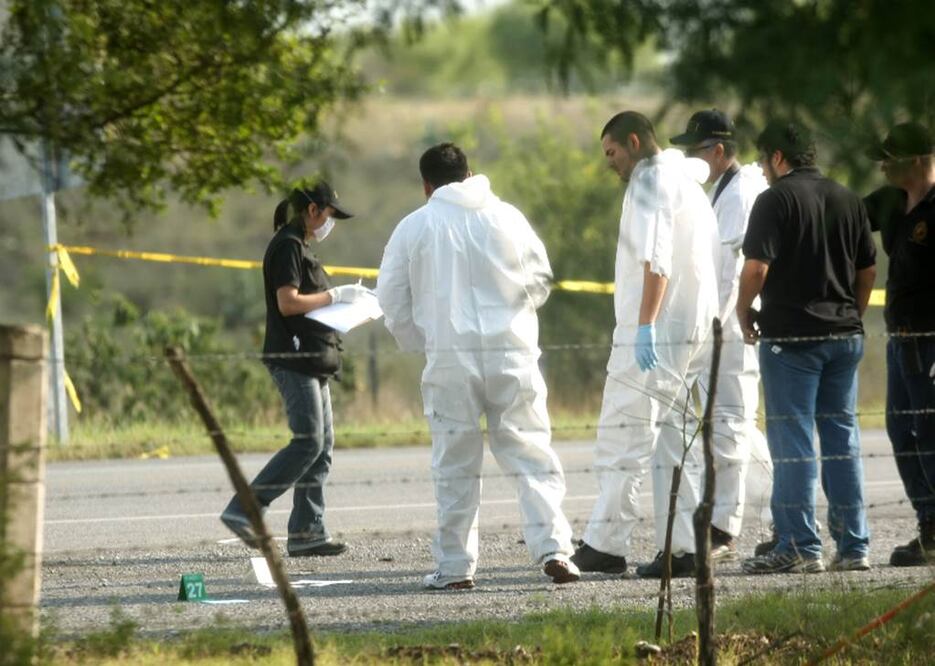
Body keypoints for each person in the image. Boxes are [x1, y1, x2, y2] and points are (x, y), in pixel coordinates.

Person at [376, 143, 580, 589]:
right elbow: (541, 278)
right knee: (531, 453)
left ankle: (455, 568)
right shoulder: (508, 217)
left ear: (426, 185)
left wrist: (422, 341)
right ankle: (555, 549)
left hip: (450, 358)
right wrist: (516, 318)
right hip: (513, 351)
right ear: (470, 174)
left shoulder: (415, 227)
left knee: (455, 463)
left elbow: (391, 299)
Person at [571, 111, 719, 578]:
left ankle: (604, 543)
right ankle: (684, 549)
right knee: (673, 440)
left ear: (633, 142)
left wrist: (644, 325)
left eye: (612, 152)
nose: (610, 163)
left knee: (623, 432)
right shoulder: (684, 180)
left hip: (656, 330)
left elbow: (657, 259)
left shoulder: (649, 182)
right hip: (692, 330)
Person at [737, 120, 876, 574]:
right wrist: (850, 314)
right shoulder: (849, 198)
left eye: (763, 160)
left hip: (792, 340)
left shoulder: (774, 200)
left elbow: (756, 268)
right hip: (843, 336)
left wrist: (743, 309)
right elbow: (867, 270)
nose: (762, 168)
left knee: (793, 442)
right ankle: (854, 546)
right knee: (842, 440)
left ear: (778, 157)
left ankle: (799, 545)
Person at [220, 182, 369, 557]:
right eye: (330, 215)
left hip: (313, 358)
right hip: (293, 357)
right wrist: (337, 296)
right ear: (314, 210)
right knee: (308, 441)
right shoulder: (287, 245)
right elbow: (288, 303)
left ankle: (307, 532)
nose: (330, 223)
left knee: (323, 445)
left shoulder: (299, 247)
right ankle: (246, 509)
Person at [670, 109, 769, 561]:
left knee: (730, 427)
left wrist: (718, 319)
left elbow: (735, 269)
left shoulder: (742, 192)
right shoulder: (721, 190)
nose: (692, 158)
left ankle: (724, 531)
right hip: (720, 325)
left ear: (719, 150)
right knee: (737, 429)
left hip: (730, 325)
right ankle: (780, 516)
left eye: (696, 150)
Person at [864, 122, 935, 567]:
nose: (882, 166)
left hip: (932, 341)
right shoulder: (890, 202)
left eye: (890, 159)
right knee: (901, 432)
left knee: (931, 434)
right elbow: (845, 217)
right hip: (900, 338)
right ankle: (929, 524)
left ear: (916, 161)